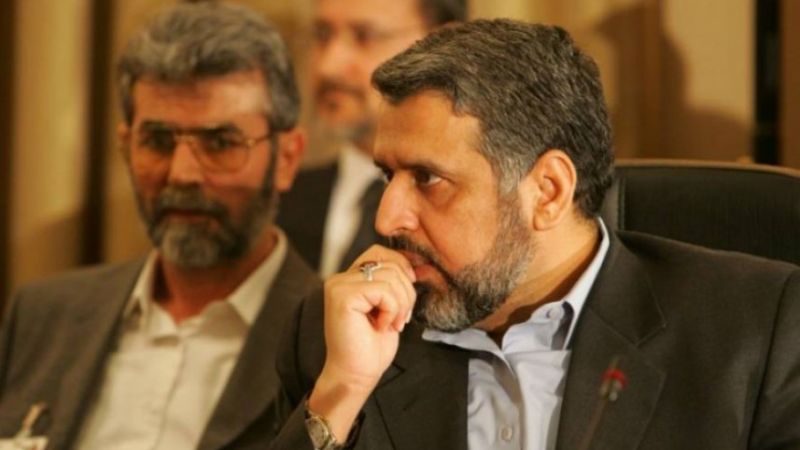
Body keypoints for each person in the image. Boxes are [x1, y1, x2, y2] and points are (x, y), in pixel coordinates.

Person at [268, 19, 800, 450]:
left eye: (428, 178)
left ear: (547, 191)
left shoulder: (757, 332)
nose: (387, 219)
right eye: (389, 176)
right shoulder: (335, 336)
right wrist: (341, 394)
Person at [0, 3, 317, 449]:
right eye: (158, 141)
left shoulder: (333, 342)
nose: (181, 173)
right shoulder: (43, 315)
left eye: (220, 142)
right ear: (125, 145)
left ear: (286, 158)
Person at [277, 0, 468, 277]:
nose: (328, 66)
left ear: (445, 45)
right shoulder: (277, 204)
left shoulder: (482, 216)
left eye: (364, 36)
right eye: (322, 35)